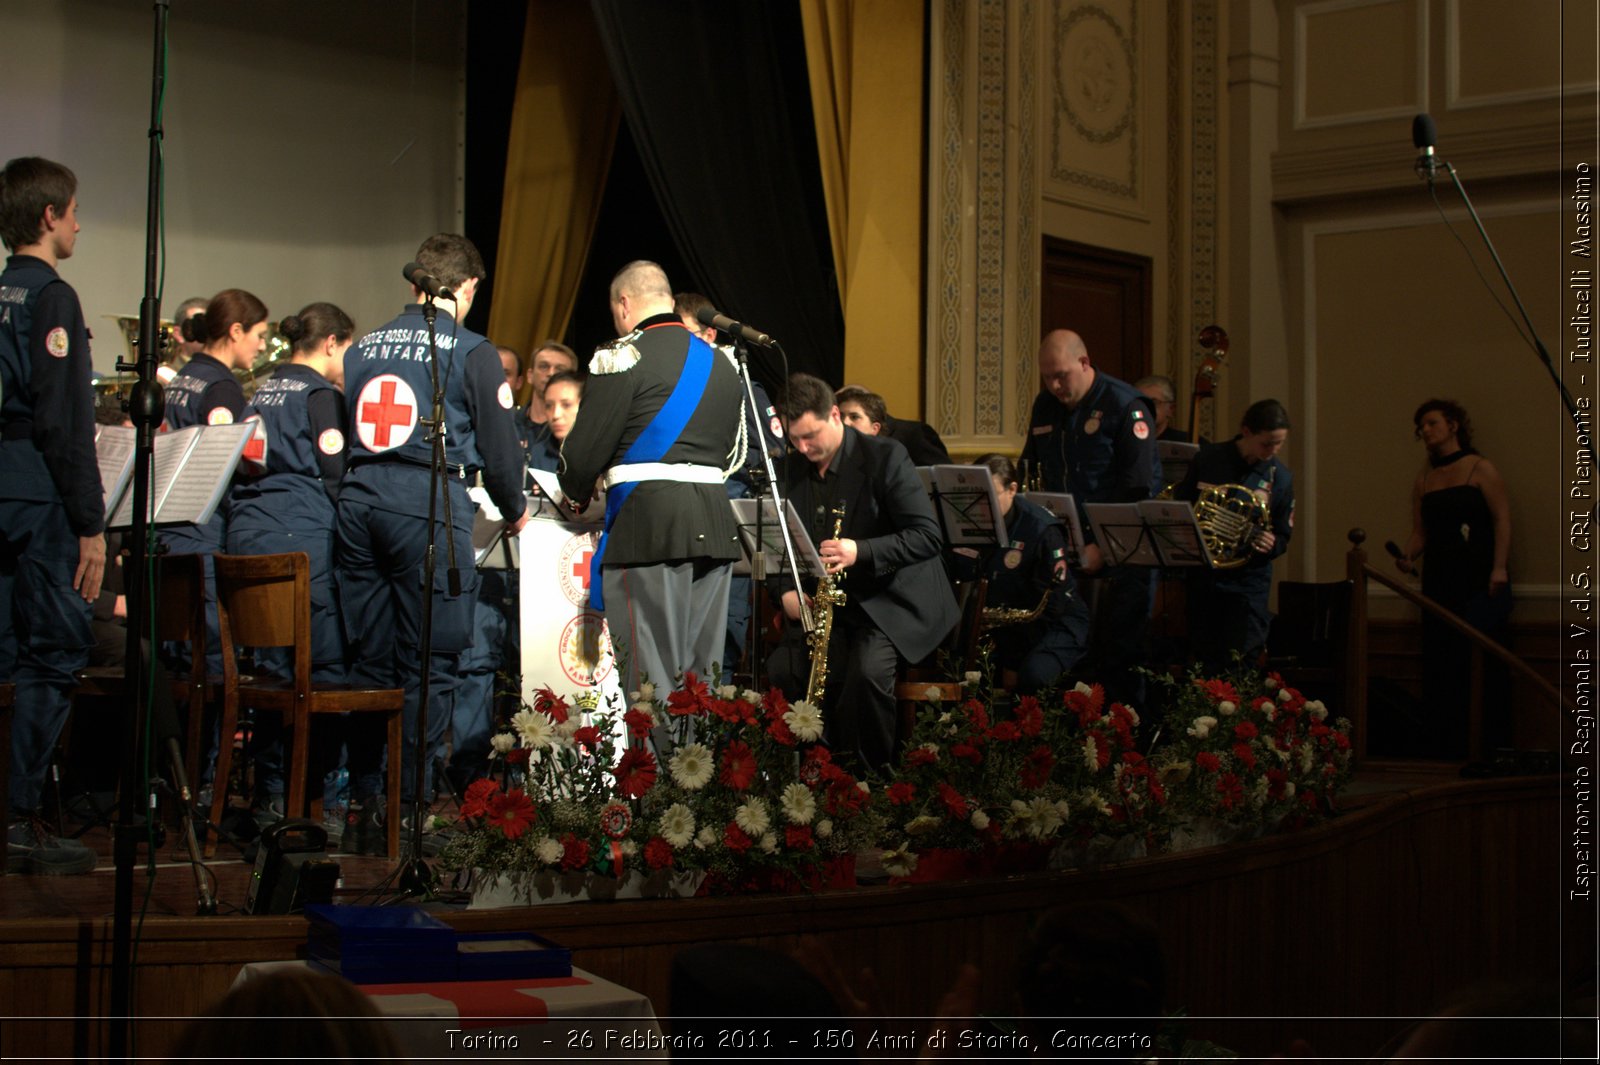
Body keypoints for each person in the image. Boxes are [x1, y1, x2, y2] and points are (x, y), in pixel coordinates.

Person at [336, 233, 528, 854]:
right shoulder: (471, 351)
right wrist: (515, 506)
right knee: (432, 662)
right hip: (426, 505)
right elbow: (500, 452)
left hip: (360, 504)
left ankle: (366, 806)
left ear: (414, 282)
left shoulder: (363, 346)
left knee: (370, 663)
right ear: (467, 287)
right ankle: (413, 809)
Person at [557, 262, 743, 701]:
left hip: (647, 531)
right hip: (715, 530)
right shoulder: (722, 364)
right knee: (702, 685)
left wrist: (577, 494)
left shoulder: (622, 355)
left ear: (624, 304)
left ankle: (657, 774)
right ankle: (696, 771)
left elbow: (581, 459)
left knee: (651, 684)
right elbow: (729, 454)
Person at [766, 373, 959, 773]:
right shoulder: (793, 466)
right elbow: (777, 544)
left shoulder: (885, 457)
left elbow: (927, 537)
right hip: (836, 606)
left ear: (835, 415)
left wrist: (862, 550)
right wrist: (784, 590)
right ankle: (816, 771)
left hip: (892, 600)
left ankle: (871, 780)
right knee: (783, 668)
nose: (803, 448)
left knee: (866, 672)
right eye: (794, 440)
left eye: (811, 436)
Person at [0, 156, 105, 875]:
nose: (76, 222)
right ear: (48, 217)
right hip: (39, 495)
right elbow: (64, 423)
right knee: (54, 653)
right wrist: (91, 524)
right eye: (72, 211)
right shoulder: (53, 297)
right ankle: (18, 817)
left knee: (6, 652)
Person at [227, 302, 354, 823]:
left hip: (248, 532)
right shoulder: (321, 394)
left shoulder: (259, 389)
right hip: (303, 535)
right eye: (348, 349)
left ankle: (271, 794)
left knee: (273, 673)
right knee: (326, 672)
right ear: (330, 343)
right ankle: (327, 801)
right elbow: (335, 473)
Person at [1019, 329, 1160, 704]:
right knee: (1060, 652)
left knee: (1121, 659)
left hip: (1122, 558)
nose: (1054, 384)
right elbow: (1030, 469)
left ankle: (1126, 749)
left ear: (1085, 363)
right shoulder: (1045, 405)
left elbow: (1139, 490)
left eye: (1062, 374)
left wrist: (1104, 547)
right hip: (1067, 554)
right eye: (1047, 376)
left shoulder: (1125, 405)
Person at [674, 289, 785, 680]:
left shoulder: (742, 389)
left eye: (681, 332)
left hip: (726, 531)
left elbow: (771, 451)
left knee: (719, 641)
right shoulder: (666, 391)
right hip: (680, 530)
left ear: (707, 334)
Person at [1396, 398, 1512, 755]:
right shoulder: (1425, 478)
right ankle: (1446, 743)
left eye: (1431, 423)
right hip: (1439, 577)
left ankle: (1487, 744)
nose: (1426, 432)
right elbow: (1421, 531)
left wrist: (1499, 566)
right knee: (1442, 658)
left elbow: (1501, 518)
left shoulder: (1480, 467)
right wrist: (1407, 555)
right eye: (1421, 428)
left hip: (1477, 574)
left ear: (1453, 425)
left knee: (1479, 659)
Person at [1174, 399, 1295, 670]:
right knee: (1203, 660)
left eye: (1279, 443)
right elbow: (1184, 507)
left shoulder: (1281, 478)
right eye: (1267, 443)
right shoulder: (1209, 458)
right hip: (1205, 578)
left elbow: (1283, 535)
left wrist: (1271, 542)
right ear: (1247, 431)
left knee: (1242, 662)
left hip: (1247, 584)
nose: (1273, 451)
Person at [965, 454, 1090, 693]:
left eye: (991, 495)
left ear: (1012, 489)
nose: (983, 504)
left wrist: (1013, 661)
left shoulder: (1041, 529)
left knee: (1032, 676)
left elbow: (1051, 605)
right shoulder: (975, 522)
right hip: (1007, 626)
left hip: (1053, 625)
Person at [835, 383, 952, 466]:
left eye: (854, 416)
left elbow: (944, 476)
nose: (845, 422)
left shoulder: (915, 432)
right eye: (841, 415)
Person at [1134, 374, 1191, 443]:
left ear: (1171, 409)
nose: (1144, 408)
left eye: (1154, 402)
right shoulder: (1121, 442)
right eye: (1139, 402)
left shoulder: (1187, 443)